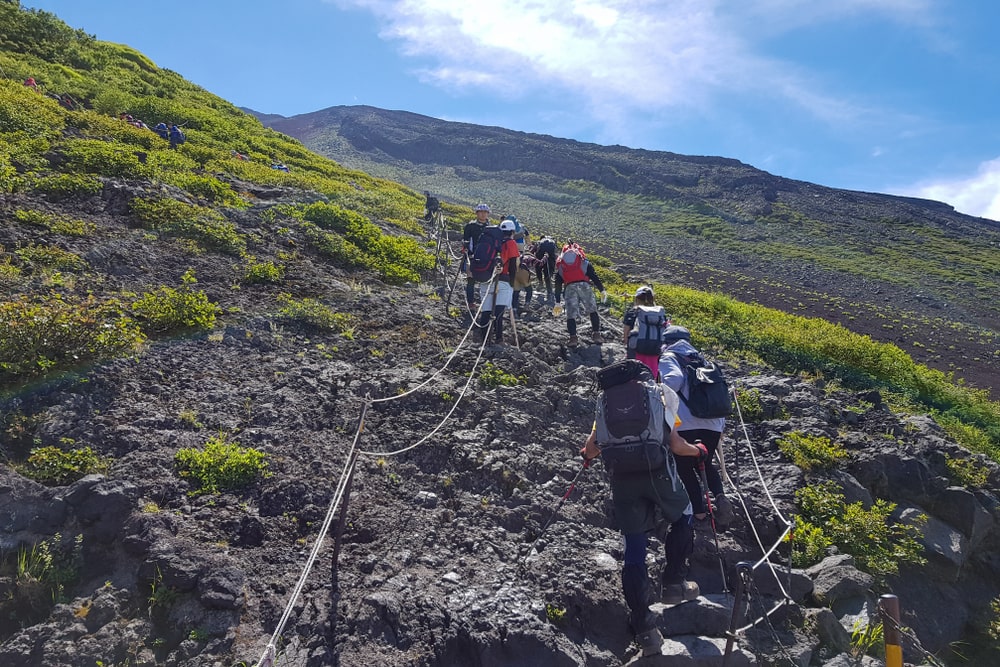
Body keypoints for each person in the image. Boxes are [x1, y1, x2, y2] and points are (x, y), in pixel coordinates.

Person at [580, 369, 706, 657]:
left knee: (633, 549)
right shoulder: (661, 394)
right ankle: (674, 582)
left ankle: (644, 628)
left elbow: (592, 448)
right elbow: (675, 444)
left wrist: (585, 456)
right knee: (684, 514)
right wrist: (698, 451)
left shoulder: (605, 401)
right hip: (658, 472)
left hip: (623, 480)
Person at [659, 326, 734, 525]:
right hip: (713, 423)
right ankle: (719, 496)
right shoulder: (702, 359)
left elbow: (674, 380)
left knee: (685, 467)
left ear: (666, 341)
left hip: (685, 422)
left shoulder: (669, 357)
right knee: (706, 462)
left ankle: (699, 513)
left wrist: (659, 395)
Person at [474, 219, 520, 345]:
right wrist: (512, 283)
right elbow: (512, 265)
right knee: (499, 310)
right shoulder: (511, 243)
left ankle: (484, 340)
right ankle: (499, 338)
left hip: (486, 277)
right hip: (502, 279)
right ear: (512, 231)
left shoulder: (492, 241)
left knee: (486, 310)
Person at [553, 242, 606, 347]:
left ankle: (573, 338)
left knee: (571, 315)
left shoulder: (561, 264)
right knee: (592, 310)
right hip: (584, 286)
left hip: (569, 288)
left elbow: (558, 284)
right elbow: (594, 276)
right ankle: (596, 335)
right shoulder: (583, 261)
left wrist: (557, 302)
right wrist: (602, 290)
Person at [622, 286, 668, 377]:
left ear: (637, 298)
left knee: (633, 372)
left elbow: (626, 330)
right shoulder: (660, 313)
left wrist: (626, 341)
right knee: (652, 372)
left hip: (636, 347)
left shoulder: (634, 311)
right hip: (656, 348)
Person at [461, 203, 491, 312]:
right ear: (477, 213)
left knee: (487, 281)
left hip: (487, 258)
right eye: (481, 212)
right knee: (471, 280)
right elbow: (465, 240)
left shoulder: (491, 228)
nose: (483, 214)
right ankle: (470, 302)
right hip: (472, 256)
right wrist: (466, 251)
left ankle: (486, 303)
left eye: (485, 212)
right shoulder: (470, 226)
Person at [534, 234, 558, 303]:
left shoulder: (540, 242)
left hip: (540, 256)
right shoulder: (553, 242)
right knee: (548, 273)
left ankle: (540, 283)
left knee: (538, 269)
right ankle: (549, 290)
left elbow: (535, 251)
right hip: (550, 257)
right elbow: (555, 254)